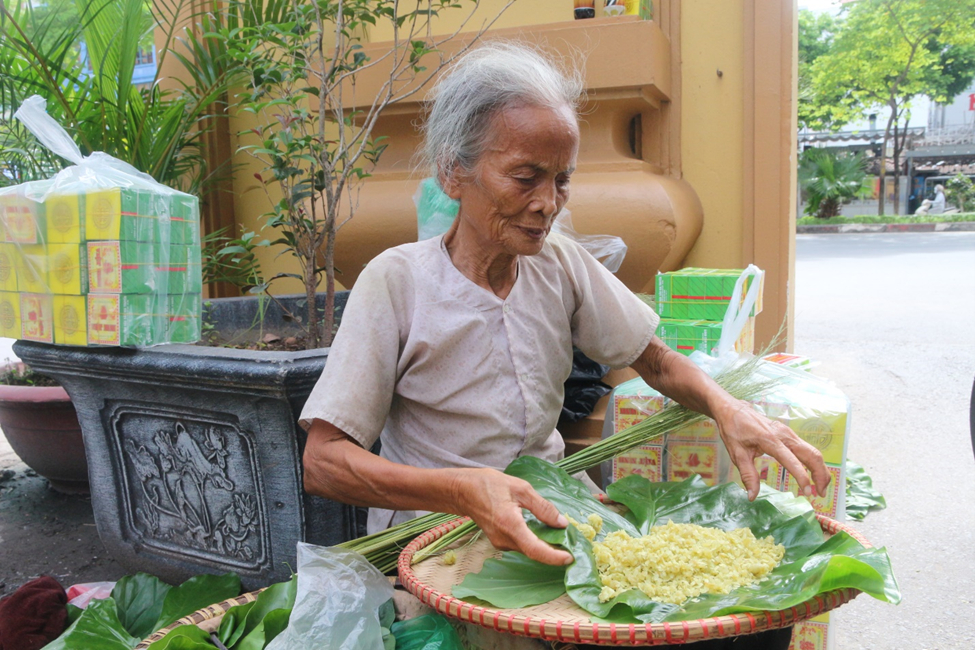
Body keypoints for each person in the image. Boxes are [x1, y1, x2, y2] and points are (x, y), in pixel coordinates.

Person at [300, 41, 828, 572]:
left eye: (562, 179)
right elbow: (323, 462)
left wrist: (729, 408)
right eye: (526, 177)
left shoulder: (559, 264)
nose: (548, 203)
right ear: (454, 172)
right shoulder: (397, 281)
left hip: (552, 507)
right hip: (436, 538)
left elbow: (658, 362)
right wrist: (463, 490)